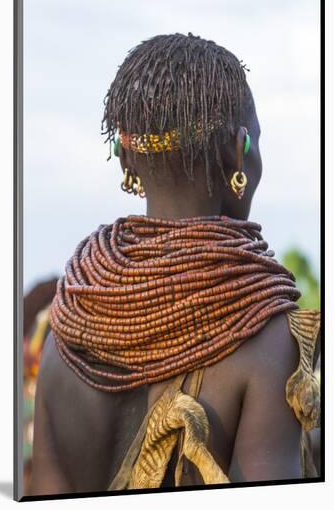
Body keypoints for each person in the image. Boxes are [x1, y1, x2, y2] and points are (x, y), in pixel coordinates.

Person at [29, 33, 320, 496]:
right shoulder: (266, 340)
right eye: (256, 141)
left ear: (125, 156)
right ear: (237, 150)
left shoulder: (66, 329)